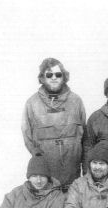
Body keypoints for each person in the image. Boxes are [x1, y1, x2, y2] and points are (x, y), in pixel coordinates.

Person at [22, 58, 86, 190]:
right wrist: (37, 156)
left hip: (72, 174)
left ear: (64, 77)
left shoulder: (76, 101)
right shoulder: (32, 103)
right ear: (42, 78)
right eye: (49, 75)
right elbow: (27, 134)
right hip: (46, 176)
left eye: (58, 74)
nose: (54, 78)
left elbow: (84, 133)